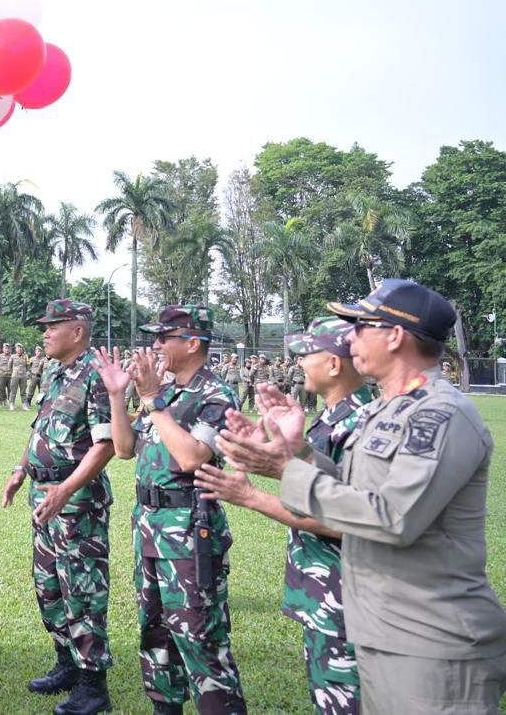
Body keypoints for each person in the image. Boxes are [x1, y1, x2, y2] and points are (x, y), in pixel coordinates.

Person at [219, 279, 506, 714]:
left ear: (395, 336)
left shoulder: (440, 413)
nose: (349, 337)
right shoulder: (384, 409)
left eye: (361, 325)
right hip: (382, 630)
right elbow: (355, 494)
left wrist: (283, 470)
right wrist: (297, 450)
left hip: (430, 642)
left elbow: (392, 518)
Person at [196, 318, 372, 714]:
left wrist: (250, 496)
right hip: (329, 595)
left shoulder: (358, 424)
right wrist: (277, 446)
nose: (300, 363)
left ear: (334, 365)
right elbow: (321, 492)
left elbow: (349, 521)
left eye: (308, 354)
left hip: (350, 597)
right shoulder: (330, 420)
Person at [93, 305, 247, 715]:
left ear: (193, 343)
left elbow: (192, 457)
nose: (155, 345)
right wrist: (117, 395)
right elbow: (124, 449)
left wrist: (150, 399)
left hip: (190, 532)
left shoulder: (215, 395)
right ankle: (166, 707)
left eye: (164, 338)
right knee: (155, 632)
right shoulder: (166, 393)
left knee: (199, 636)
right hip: (150, 528)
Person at [2, 300, 116, 715]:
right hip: (44, 497)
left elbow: (105, 445)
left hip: (78, 504)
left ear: (78, 331)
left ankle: (93, 686)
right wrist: (19, 468)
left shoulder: (96, 377)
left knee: (82, 592)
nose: (45, 333)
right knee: (49, 588)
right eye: (45, 326)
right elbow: (41, 432)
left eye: (53, 326)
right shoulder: (56, 373)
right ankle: (66, 663)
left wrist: (66, 489)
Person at [9, 343, 30, 410]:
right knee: (13, 391)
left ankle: (24, 405)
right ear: (16, 349)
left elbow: (28, 366)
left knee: (23, 391)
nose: (20, 349)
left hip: (23, 376)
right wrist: (13, 371)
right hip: (15, 375)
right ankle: (12, 404)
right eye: (18, 348)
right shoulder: (12, 357)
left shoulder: (25, 356)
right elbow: (9, 366)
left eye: (21, 348)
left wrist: (27, 372)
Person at [25, 345, 47, 409]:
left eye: (40, 351)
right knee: (31, 390)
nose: (39, 352)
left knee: (41, 391)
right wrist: (29, 374)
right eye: (38, 351)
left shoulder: (44, 359)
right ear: (35, 352)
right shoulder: (32, 359)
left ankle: (40, 403)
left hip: (41, 377)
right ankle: (28, 402)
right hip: (34, 376)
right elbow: (28, 367)